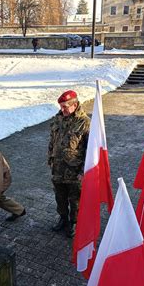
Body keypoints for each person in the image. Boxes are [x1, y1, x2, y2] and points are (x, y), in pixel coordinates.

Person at [47, 90, 90, 238]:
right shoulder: (57, 119)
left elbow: (90, 150)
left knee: (75, 199)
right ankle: (63, 219)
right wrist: (50, 159)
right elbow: (52, 141)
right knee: (60, 197)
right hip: (58, 169)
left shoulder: (85, 123)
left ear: (75, 104)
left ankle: (74, 223)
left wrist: (83, 172)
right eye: (61, 107)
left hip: (74, 171)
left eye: (65, 106)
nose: (62, 110)